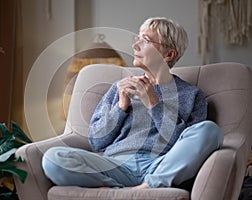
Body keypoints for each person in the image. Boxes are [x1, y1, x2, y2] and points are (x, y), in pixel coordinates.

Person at [42, 17, 223, 189]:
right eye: (137, 39)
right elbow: (96, 142)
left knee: (209, 130)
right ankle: (124, 189)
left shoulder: (192, 95)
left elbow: (185, 148)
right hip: (114, 165)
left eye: (145, 40)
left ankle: (149, 186)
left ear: (168, 54)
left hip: (160, 164)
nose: (135, 45)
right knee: (52, 158)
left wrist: (153, 103)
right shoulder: (119, 88)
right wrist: (121, 107)